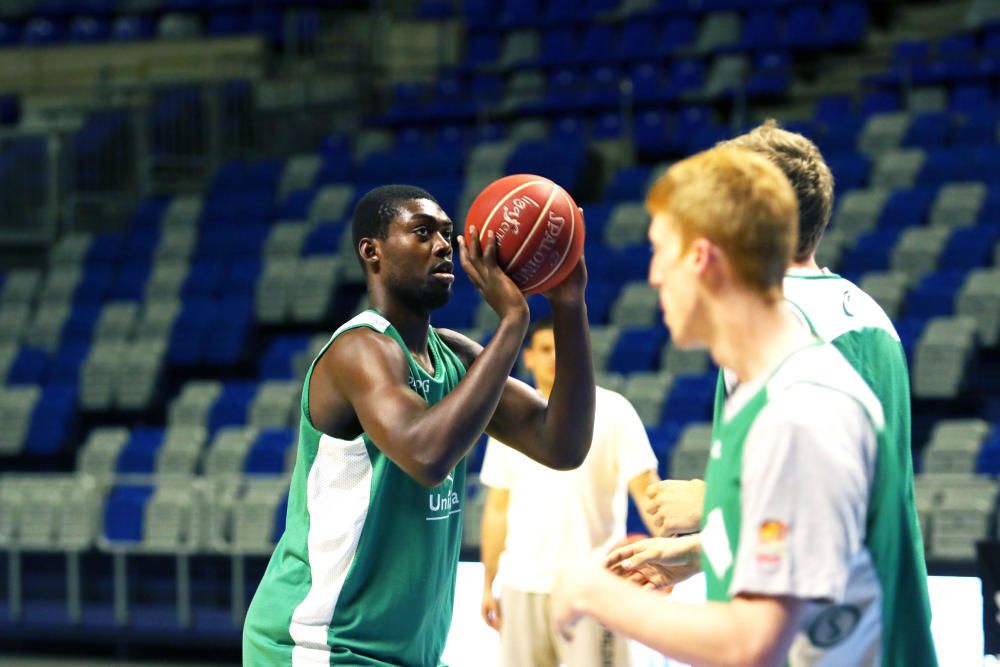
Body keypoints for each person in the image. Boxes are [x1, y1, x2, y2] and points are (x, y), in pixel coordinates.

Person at [551, 147, 937, 666]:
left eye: (660, 250)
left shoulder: (797, 409)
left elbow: (750, 643)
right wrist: (698, 553)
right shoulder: (776, 387)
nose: (653, 277)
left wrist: (593, 593)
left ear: (703, 258)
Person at [243, 184, 596, 666]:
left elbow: (563, 445)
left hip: (409, 653)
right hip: (324, 644)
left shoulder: (453, 355)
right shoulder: (359, 351)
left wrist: (570, 304)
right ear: (372, 252)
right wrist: (513, 321)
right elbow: (426, 456)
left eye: (449, 234)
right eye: (422, 232)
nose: (443, 245)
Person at [478, 316, 660, 667]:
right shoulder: (512, 415)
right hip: (522, 583)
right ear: (528, 357)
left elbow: (646, 490)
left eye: (561, 349)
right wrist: (489, 581)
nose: (553, 358)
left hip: (595, 583)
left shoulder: (613, 409)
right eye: (545, 349)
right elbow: (498, 507)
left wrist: (666, 555)